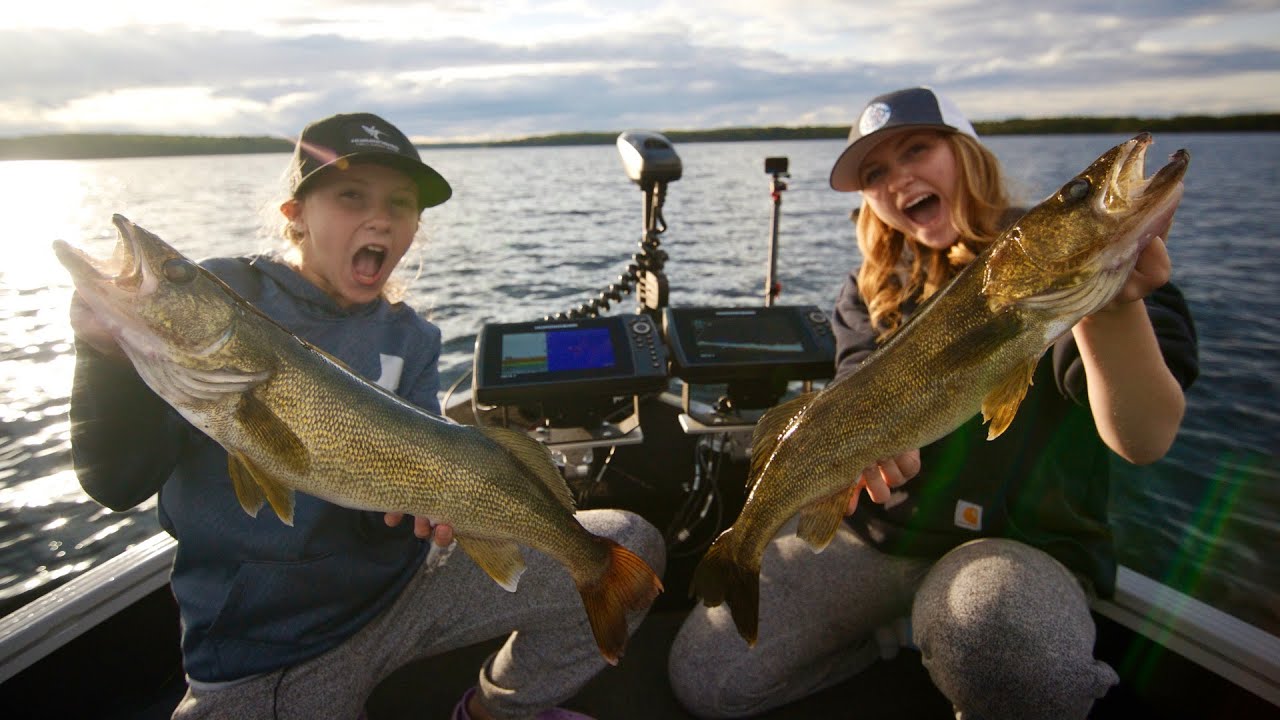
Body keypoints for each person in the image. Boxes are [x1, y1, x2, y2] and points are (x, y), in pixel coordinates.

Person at [67, 111, 665, 720]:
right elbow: (117, 483)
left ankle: (490, 711)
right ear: (295, 215)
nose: (380, 218)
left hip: (405, 591)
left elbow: (420, 471)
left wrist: (428, 514)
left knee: (625, 544)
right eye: (351, 195)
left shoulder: (414, 336)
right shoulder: (231, 292)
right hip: (275, 649)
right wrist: (102, 357)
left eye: (400, 203)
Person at [668, 87, 1198, 719]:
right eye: (874, 172)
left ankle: (944, 645)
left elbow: (1145, 439)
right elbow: (852, 393)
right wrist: (863, 464)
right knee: (706, 678)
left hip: (1019, 544)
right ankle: (889, 638)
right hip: (886, 534)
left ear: (966, 153)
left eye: (916, 149)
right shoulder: (868, 288)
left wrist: (1112, 305)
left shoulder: (1057, 279)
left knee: (1000, 641)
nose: (897, 178)